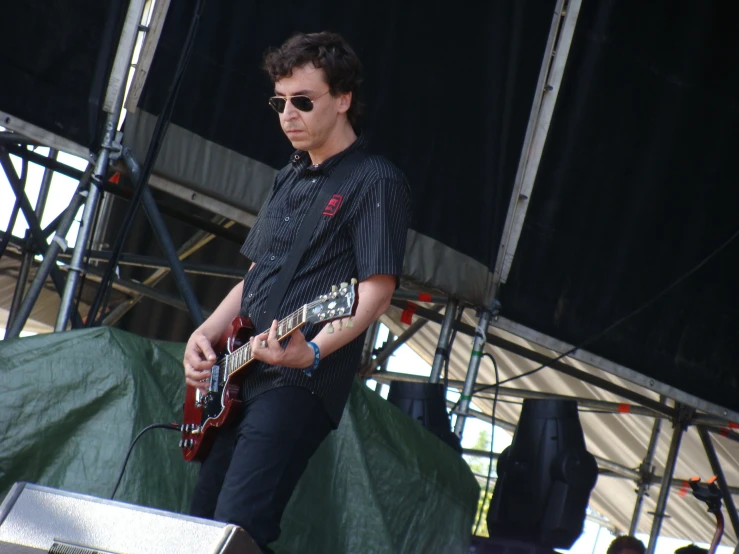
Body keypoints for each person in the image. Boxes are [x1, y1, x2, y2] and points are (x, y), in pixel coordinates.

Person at [182, 31, 410, 553]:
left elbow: (374, 294)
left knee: (241, 524)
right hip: (239, 372)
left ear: (344, 98)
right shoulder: (290, 174)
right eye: (279, 101)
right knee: (201, 525)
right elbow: (259, 273)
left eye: (303, 101)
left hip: (299, 383)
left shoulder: (375, 180)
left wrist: (309, 350)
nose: (288, 114)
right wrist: (206, 333)